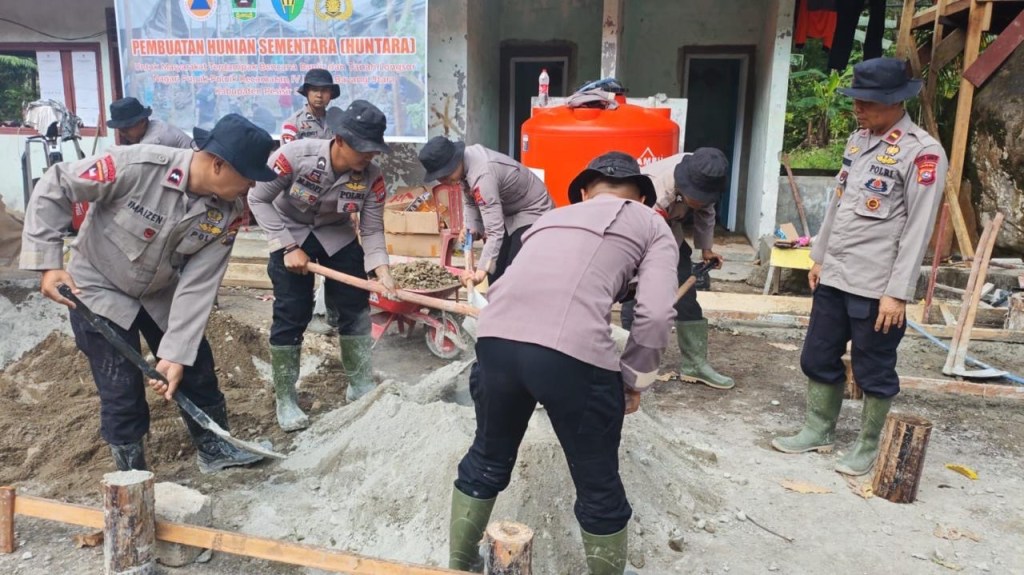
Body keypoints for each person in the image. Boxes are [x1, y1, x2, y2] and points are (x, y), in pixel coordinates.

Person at [449, 152, 678, 574]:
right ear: (642, 198)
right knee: (598, 487)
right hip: (570, 356)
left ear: (586, 191)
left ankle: (456, 568)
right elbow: (657, 315)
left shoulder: (548, 220)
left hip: (496, 341)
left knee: (485, 460)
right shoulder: (651, 223)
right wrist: (633, 381)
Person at [20, 114, 278, 473]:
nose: (251, 186)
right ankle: (132, 476)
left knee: (196, 367)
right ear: (219, 164)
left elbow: (199, 284)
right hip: (97, 287)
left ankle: (214, 450)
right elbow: (56, 183)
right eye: (248, 176)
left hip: (160, 293)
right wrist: (48, 263)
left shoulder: (228, 213)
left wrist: (175, 354)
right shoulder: (136, 165)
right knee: (121, 387)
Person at [772, 57, 948, 476]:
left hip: (877, 285)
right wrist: (819, 258)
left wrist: (898, 292)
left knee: (873, 367)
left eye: (867, 103)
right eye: (857, 101)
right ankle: (819, 429)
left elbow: (919, 229)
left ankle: (869, 444)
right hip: (836, 274)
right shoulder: (858, 141)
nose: (858, 109)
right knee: (817, 355)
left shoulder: (922, 153)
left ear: (894, 102)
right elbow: (839, 206)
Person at [248, 101, 395, 432]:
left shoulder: (373, 178)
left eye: (374, 151)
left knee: (355, 305)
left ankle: (359, 384)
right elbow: (257, 199)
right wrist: (288, 247)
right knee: (292, 311)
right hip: (289, 229)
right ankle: (285, 399)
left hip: (336, 233)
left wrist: (382, 270)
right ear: (340, 140)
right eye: (363, 150)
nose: (369, 157)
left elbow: (371, 229)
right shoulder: (293, 157)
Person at [620, 147, 735, 389]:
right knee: (637, 295)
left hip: (671, 229)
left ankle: (695, 364)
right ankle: (630, 367)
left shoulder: (706, 176)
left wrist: (706, 249)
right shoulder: (655, 188)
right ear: (684, 184)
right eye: (697, 196)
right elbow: (642, 229)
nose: (701, 201)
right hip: (637, 232)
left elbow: (706, 213)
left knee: (686, 293)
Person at [418, 136, 554, 285]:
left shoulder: (482, 175)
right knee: (495, 271)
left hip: (532, 210)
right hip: (508, 211)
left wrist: (479, 274)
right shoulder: (463, 166)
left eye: (445, 175)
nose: (443, 181)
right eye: (439, 177)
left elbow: (495, 231)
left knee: (512, 270)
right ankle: (496, 305)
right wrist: (471, 229)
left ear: (455, 160)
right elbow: (470, 203)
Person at [280, 68, 339, 144]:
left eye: (324, 90)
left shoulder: (337, 122)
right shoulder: (293, 124)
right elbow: (288, 154)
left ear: (331, 93)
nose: (319, 95)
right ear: (307, 92)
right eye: (314, 90)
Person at [106, 97, 192, 148]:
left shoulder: (154, 141)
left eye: (125, 129)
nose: (122, 134)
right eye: (120, 130)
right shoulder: (154, 125)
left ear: (142, 121)